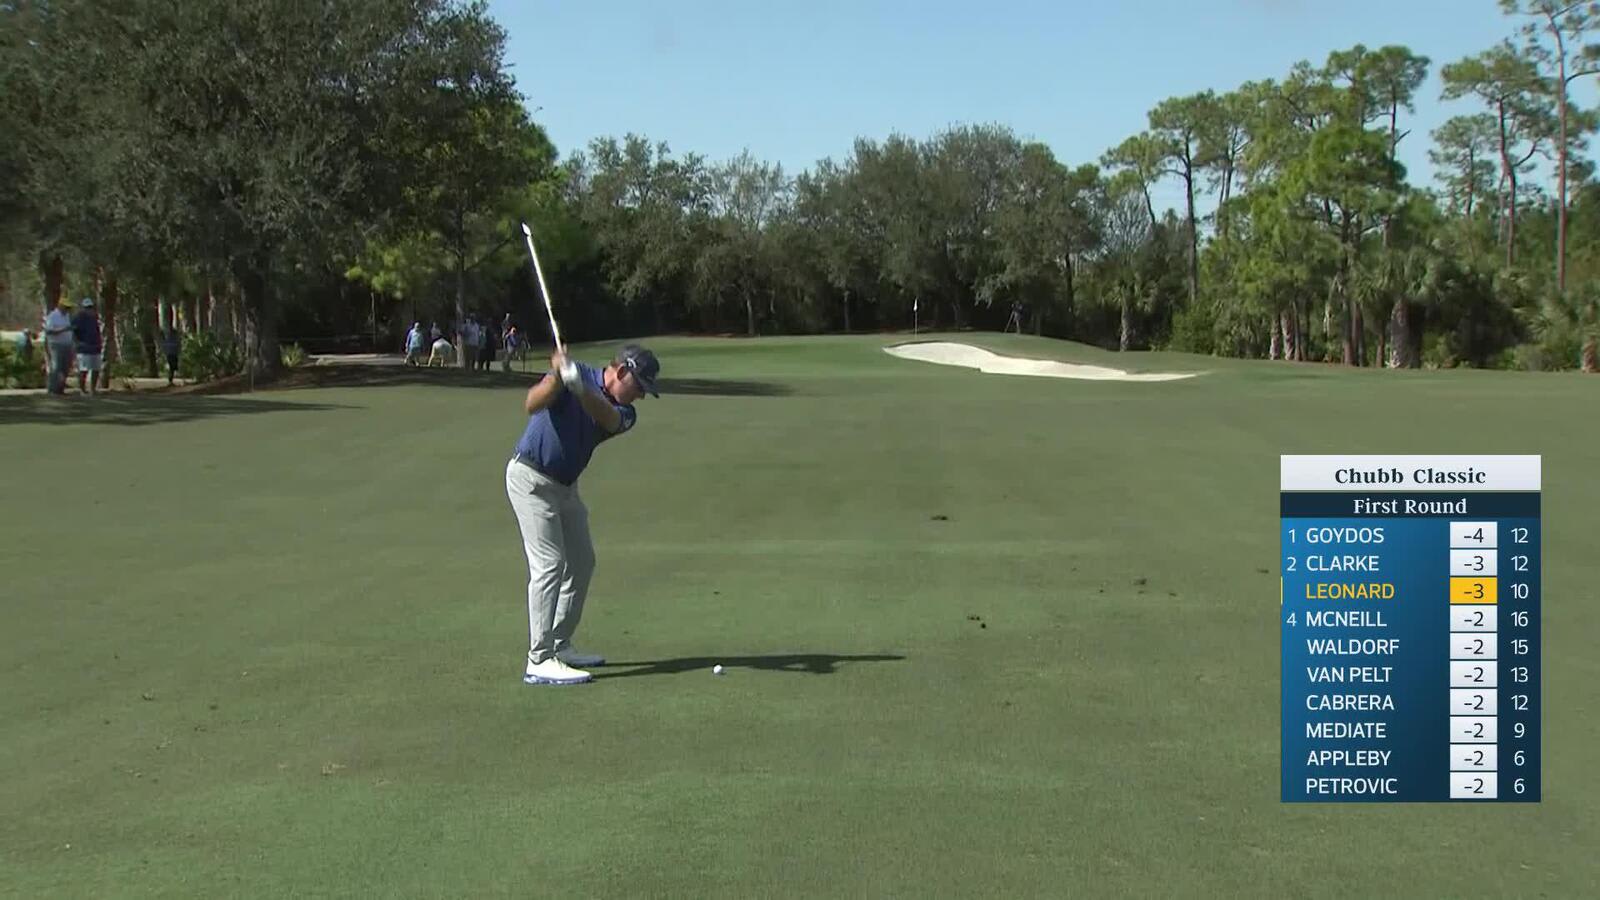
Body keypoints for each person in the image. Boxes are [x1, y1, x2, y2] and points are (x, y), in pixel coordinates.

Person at [507, 343, 660, 685]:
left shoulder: (624, 412)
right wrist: (557, 381)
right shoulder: (575, 375)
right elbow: (531, 404)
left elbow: (607, 416)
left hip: (565, 487)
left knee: (582, 561)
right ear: (621, 371)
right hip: (530, 479)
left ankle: (559, 644)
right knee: (549, 564)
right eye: (639, 386)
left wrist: (579, 387)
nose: (641, 396)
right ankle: (539, 658)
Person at [42, 300, 75, 395]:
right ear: (60, 306)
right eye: (66, 307)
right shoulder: (53, 316)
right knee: (56, 367)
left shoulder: (67, 316)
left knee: (65, 367)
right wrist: (63, 329)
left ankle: (60, 389)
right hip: (56, 345)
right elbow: (48, 331)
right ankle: (52, 389)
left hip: (67, 344)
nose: (68, 310)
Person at [72, 298, 103, 395]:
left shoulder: (94, 318)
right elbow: (72, 332)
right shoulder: (78, 318)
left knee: (96, 369)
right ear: (83, 308)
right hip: (84, 349)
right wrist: (77, 343)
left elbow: (97, 332)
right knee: (83, 370)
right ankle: (82, 389)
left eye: (90, 307)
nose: (89, 309)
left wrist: (100, 344)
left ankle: (92, 389)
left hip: (95, 348)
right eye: (87, 307)